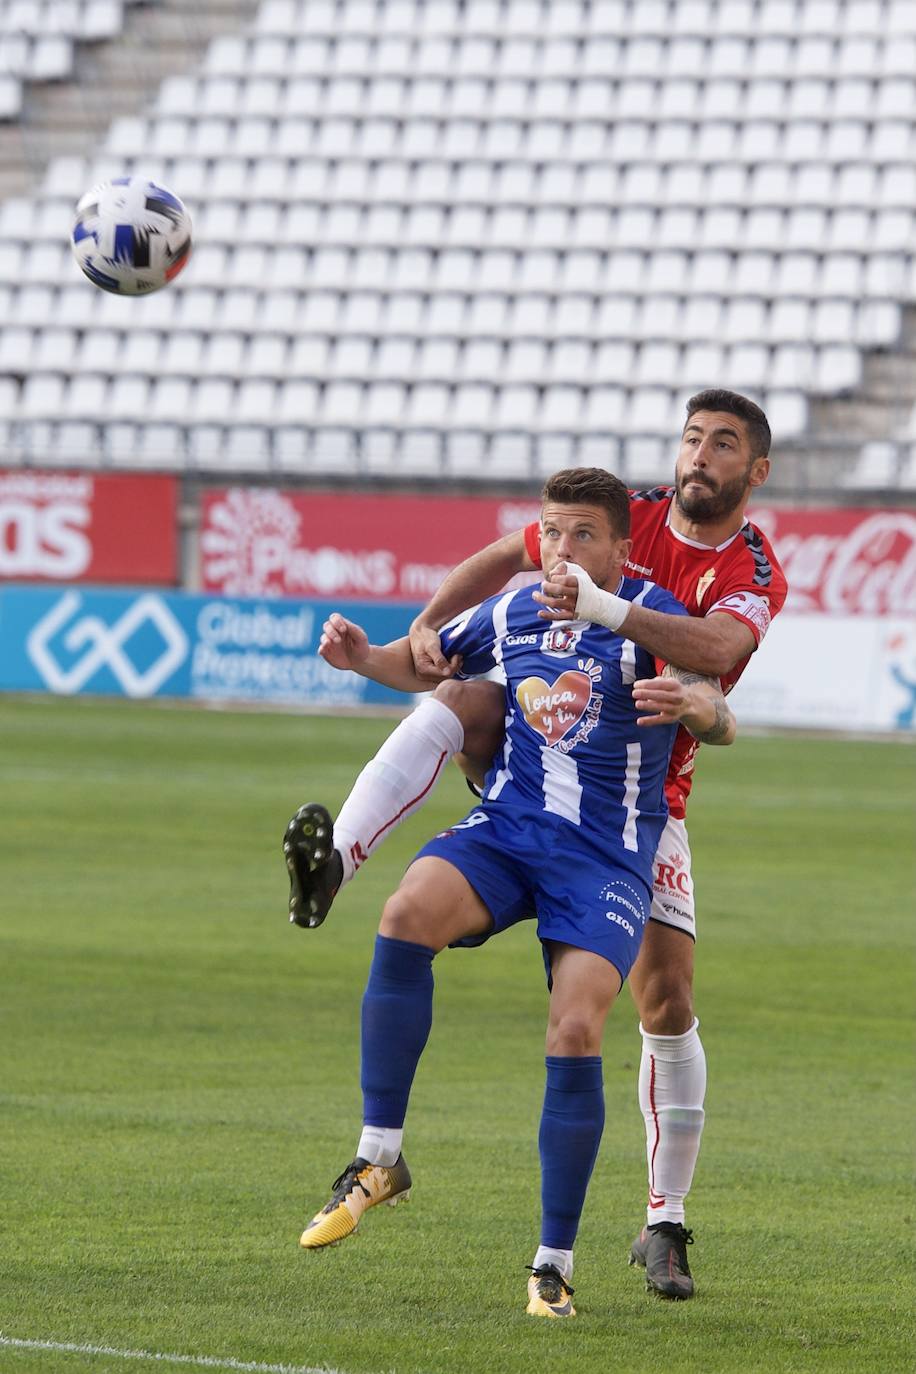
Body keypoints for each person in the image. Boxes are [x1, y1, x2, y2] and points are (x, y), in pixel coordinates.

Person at [286, 389, 789, 1300]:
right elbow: (499, 567)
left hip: (643, 799)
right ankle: (340, 859)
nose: (699, 457)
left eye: (721, 445)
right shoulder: (600, 515)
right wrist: (420, 633)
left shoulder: (744, 568)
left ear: (754, 471)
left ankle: (660, 1221)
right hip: (530, 774)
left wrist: (613, 618)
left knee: (664, 998)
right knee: (455, 700)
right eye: (691, 439)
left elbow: (714, 665)